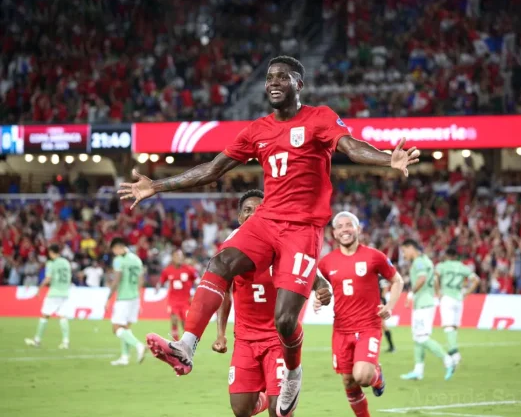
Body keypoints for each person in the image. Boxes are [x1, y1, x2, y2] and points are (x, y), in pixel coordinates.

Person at [118, 55, 419, 416]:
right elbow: (213, 169)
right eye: (269, 78)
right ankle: (186, 345)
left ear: (298, 84)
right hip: (267, 221)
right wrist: (157, 186)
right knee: (221, 261)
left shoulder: (319, 117)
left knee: (286, 321)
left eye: (282, 77)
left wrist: (388, 159)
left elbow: (351, 147)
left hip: (302, 229)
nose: (273, 82)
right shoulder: (257, 129)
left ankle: (292, 370)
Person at [212, 189, 332, 417]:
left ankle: (278, 391)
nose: (253, 214)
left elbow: (310, 272)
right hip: (245, 339)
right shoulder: (230, 250)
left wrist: (322, 289)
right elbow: (224, 291)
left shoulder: (281, 245)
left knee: (280, 413)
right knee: (240, 410)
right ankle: (265, 395)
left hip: (278, 340)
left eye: (259, 210)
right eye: (247, 210)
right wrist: (221, 334)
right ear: (239, 217)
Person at [317, 212, 404, 417]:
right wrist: (317, 297)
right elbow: (318, 287)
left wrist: (390, 305)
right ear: (334, 233)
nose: (344, 229)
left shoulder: (374, 256)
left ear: (358, 229)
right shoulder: (326, 263)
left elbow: (397, 280)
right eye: (340, 226)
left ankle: (377, 376)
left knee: (362, 376)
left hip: (368, 327)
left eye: (349, 225)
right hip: (341, 329)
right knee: (349, 382)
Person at [399, 239, 455, 381]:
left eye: (404, 251)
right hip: (427, 302)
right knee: (417, 337)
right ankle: (418, 370)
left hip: (423, 303)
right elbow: (434, 278)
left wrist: (411, 294)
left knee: (421, 337)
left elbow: (422, 278)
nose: (403, 255)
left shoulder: (418, 262)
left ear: (411, 248)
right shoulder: (427, 260)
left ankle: (448, 360)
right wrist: (437, 293)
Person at [105, 237, 146, 366]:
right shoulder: (136, 259)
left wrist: (108, 298)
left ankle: (139, 345)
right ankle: (124, 357)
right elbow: (141, 281)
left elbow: (116, 280)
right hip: (135, 297)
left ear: (117, 247)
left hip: (123, 298)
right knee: (126, 328)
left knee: (116, 328)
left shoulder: (118, 260)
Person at [435, 248, 480, 366]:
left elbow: (435, 278)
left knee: (448, 326)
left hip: (447, 297)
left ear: (446, 255)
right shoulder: (463, 267)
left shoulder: (442, 266)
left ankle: (454, 353)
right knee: (454, 326)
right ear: (456, 256)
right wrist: (467, 292)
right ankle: (453, 351)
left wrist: (438, 292)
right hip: (459, 298)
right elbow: (476, 280)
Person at [25, 244, 72, 349]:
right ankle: (66, 342)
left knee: (45, 315)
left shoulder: (51, 263)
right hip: (65, 293)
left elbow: (48, 278)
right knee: (63, 316)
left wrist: (39, 289)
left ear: (51, 252)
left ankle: (37, 340)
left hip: (54, 293)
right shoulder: (66, 263)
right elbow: (69, 278)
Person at [156, 249, 199, 341]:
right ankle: (175, 341)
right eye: (176, 256)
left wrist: (196, 292)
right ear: (173, 257)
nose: (179, 258)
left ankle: (185, 341)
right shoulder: (167, 270)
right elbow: (161, 280)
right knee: (174, 320)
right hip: (173, 300)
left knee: (185, 323)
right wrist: (158, 286)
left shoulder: (189, 269)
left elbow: (197, 281)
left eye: (180, 256)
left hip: (186, 300)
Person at [379, 279, 396, 352]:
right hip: (375, 302)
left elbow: (385, 288)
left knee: (383, 324)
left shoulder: (380, 277)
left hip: (379, 302)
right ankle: (391, 346)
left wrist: (381, 299)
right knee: (382, 325)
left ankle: (392, 346)